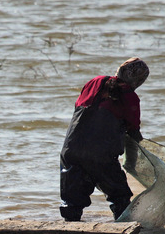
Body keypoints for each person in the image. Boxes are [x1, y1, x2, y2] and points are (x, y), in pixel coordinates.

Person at [59, 57, 149, 222]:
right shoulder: (130, 97)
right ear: (139, 81)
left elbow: (79, 106)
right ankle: (125, 233)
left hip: (71, 150)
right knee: (119, 198)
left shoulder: (95, 82)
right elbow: (134, 132)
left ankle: (69, 231)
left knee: (72, 202)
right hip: (102, 156)